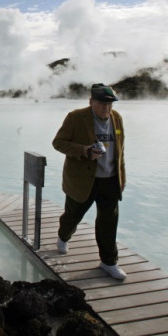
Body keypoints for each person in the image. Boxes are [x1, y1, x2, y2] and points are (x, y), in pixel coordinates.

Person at [52, 83, 127, 280]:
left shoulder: (117, 119)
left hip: (110, 180)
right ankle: (63, 235)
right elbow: (58, 143)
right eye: (102, 103)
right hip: (82, 180)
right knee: (73, 216)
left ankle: (109, 261)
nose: (106, 108)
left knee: (108, 222)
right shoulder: (76, 117)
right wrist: (85, 151)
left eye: (110, 104)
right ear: (91, 102)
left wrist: (122, 177)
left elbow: (120, 151)